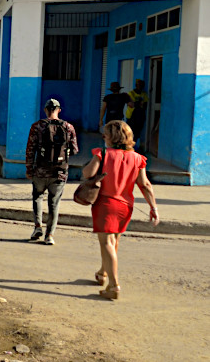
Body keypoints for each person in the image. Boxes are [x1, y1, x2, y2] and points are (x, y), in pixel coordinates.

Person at [83, 120, 159, 300]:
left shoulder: (102, 153)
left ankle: (114, 285)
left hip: (106, 204)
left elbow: (88, 174)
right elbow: (145, 185)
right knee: (114, 241)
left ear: (112, 137)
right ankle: (103, 273)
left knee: (106, 242)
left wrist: (95, 161)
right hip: (125, 206)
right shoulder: (138, 158)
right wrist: (153, 207)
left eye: (105, 134)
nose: (104, 137)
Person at [24, 99, 78, 245]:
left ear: (45, 109)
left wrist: (29, 168)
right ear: (59, 110)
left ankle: (37, 227)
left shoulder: (37, 126)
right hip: (60, 172)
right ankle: (49, 235)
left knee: (37, 198)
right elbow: (74, 150)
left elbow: (30, 149)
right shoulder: (68, 127)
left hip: (40, 171)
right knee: (54, 203)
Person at [126, 78, 148, 148]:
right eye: (139, 85)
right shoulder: (131, 93)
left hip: (140, 116)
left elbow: (145, 105)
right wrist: (138, 104)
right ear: (136, 85)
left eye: (142, 85)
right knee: (130, 132)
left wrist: (137, 104)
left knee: (137, 133)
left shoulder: (144, 94)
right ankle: (128, 146)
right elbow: (131, 104)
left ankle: (133, 146)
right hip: (131, 116)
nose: (140, 87)